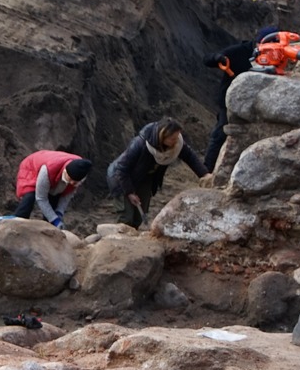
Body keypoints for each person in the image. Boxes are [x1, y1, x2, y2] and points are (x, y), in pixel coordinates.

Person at [106, 117, 209, 228]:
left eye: (177, 137)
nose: (176, 141)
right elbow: (121, 169)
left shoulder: (176, 144)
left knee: (138, 217)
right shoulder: (140, 144)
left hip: (144, 178)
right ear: (163, 136)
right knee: (126, 218)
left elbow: (190, 157)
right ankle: (119, 241)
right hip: (121, 179)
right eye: (172, 138)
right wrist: (130, 192)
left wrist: (205, 174)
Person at [204, 29, 278, 172]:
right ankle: (207, 170)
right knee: (220, 135)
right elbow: (207, 59)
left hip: (257, 103)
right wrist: (218, 58)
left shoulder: (275, 55)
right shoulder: (240, 51)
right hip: (229, 102)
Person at [9, 151, 92, 228]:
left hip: (55, 174)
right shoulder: (48, 170)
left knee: (54, 199)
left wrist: (58, 213)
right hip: (31, 168)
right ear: (65, 172)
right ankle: (17, 223)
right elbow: (41, 198)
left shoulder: (81, 170)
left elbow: (67, 195)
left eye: (75, 182)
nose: (72, 183)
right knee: (29, 197)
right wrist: (55, 220)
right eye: (70, 180)